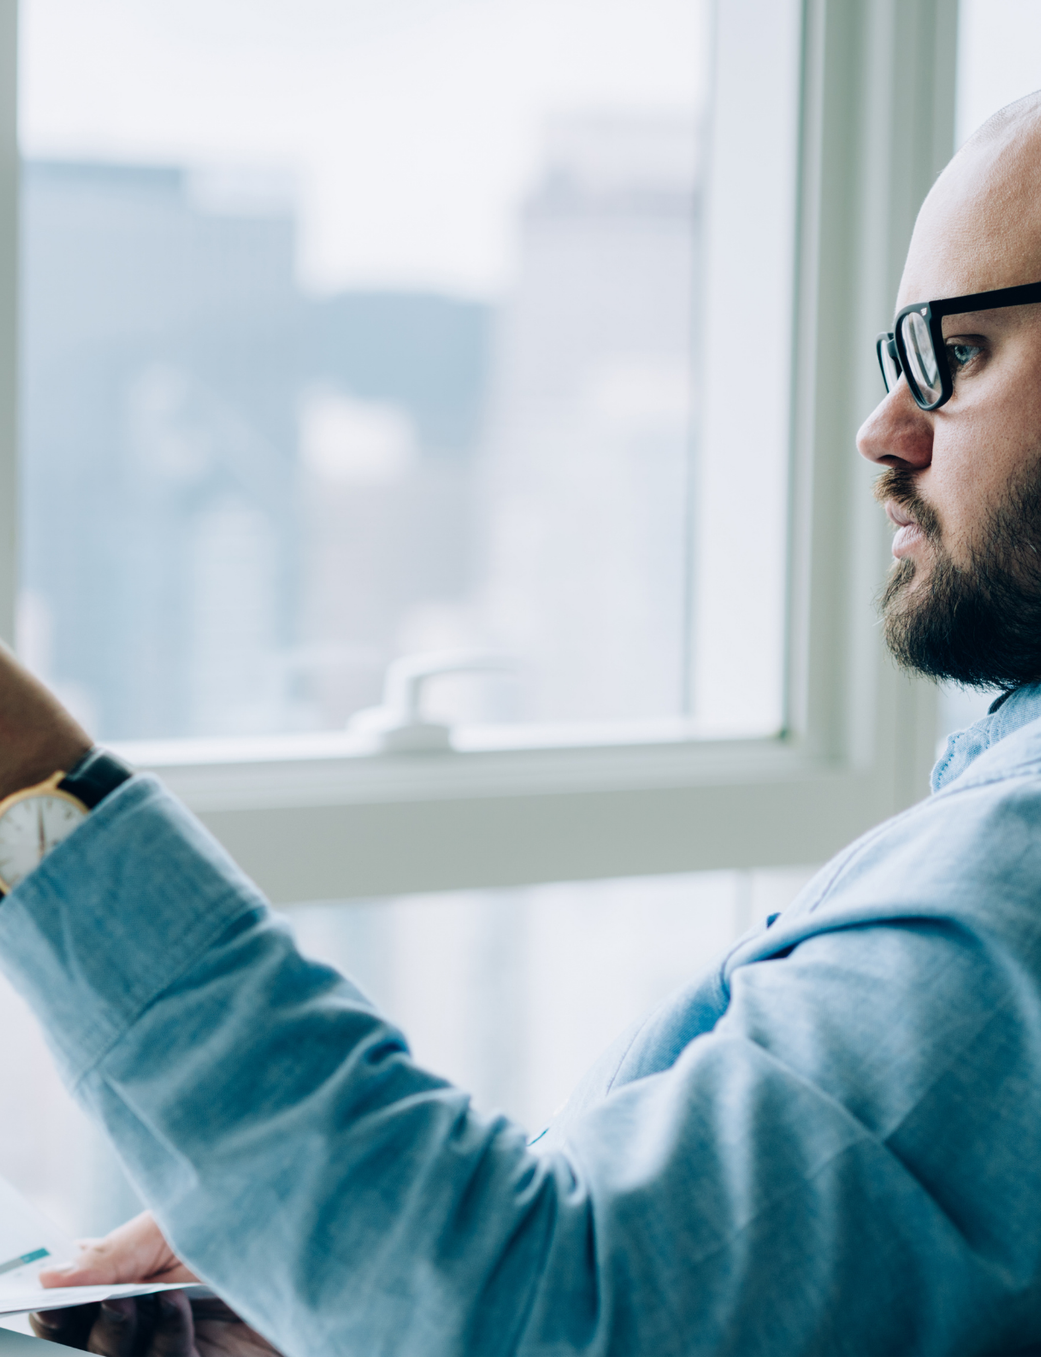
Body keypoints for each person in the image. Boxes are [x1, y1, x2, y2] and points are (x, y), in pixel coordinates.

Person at [9, 90, 1041, 1357]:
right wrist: (353, 1273)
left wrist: (30, 792)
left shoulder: (1019, 869)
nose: (887, 431)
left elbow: (543, 1322)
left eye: (960, 351)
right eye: (896, 359)